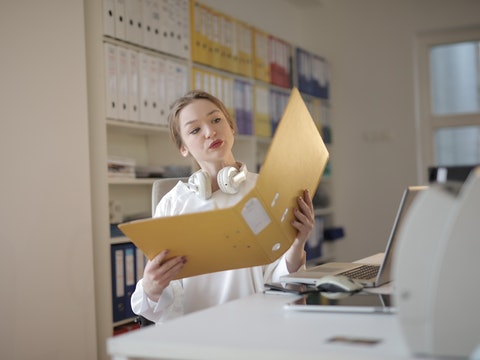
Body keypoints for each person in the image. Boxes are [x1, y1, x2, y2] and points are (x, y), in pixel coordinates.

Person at [131, 90, 315, 323]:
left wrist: (298, 243)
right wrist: (151, 286)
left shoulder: (268, 190)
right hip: (198, 333)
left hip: (259, 327)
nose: (210, 132)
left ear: (231, 127)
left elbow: (284, 287)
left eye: (216, 120)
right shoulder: (173, 203)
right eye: (195, 130)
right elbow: (166, 301)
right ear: (183, 148)